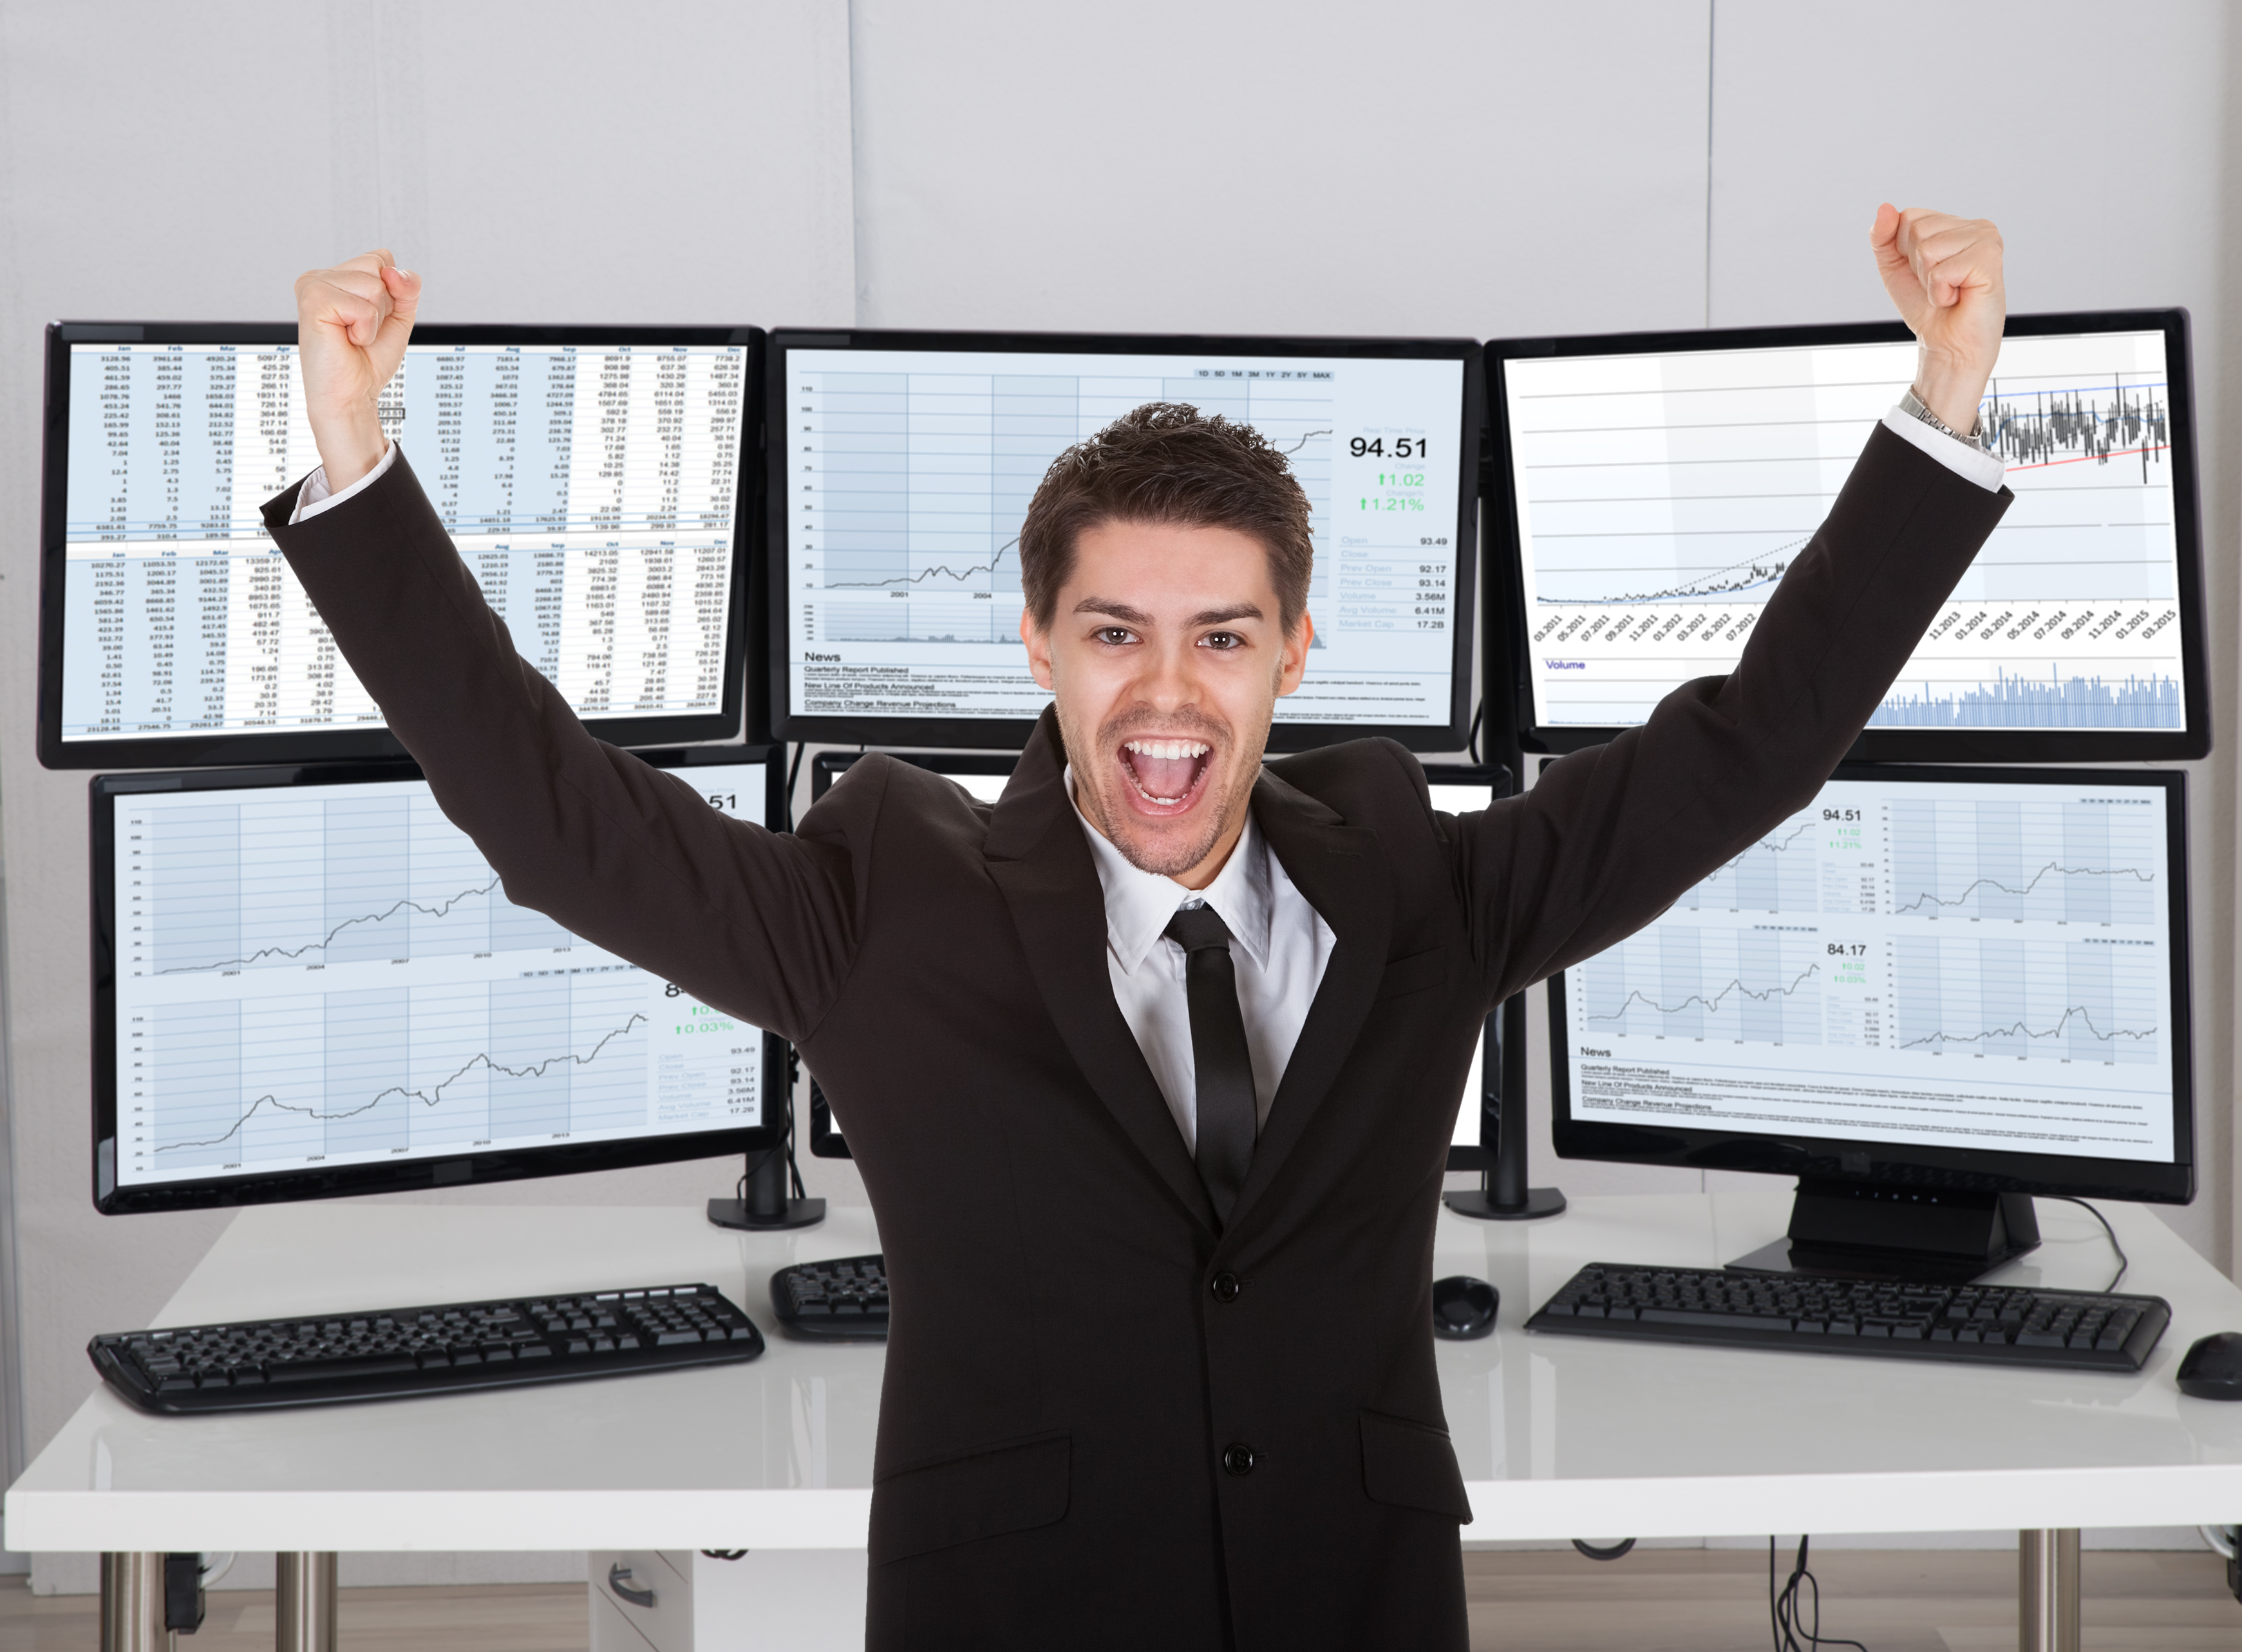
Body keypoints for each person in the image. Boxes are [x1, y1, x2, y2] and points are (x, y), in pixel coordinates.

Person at [272, 205, 2010, 1651]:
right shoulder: (882, 900)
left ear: (1295, 655)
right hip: (1020, 1607)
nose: (1166, 695)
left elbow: (1750, 747)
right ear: (1036, 646)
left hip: (1353, 1600)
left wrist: (1941, 399)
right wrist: (359, 460)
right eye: (1115, 633)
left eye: (1221, 639)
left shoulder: (1415, 887)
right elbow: (552, 814)